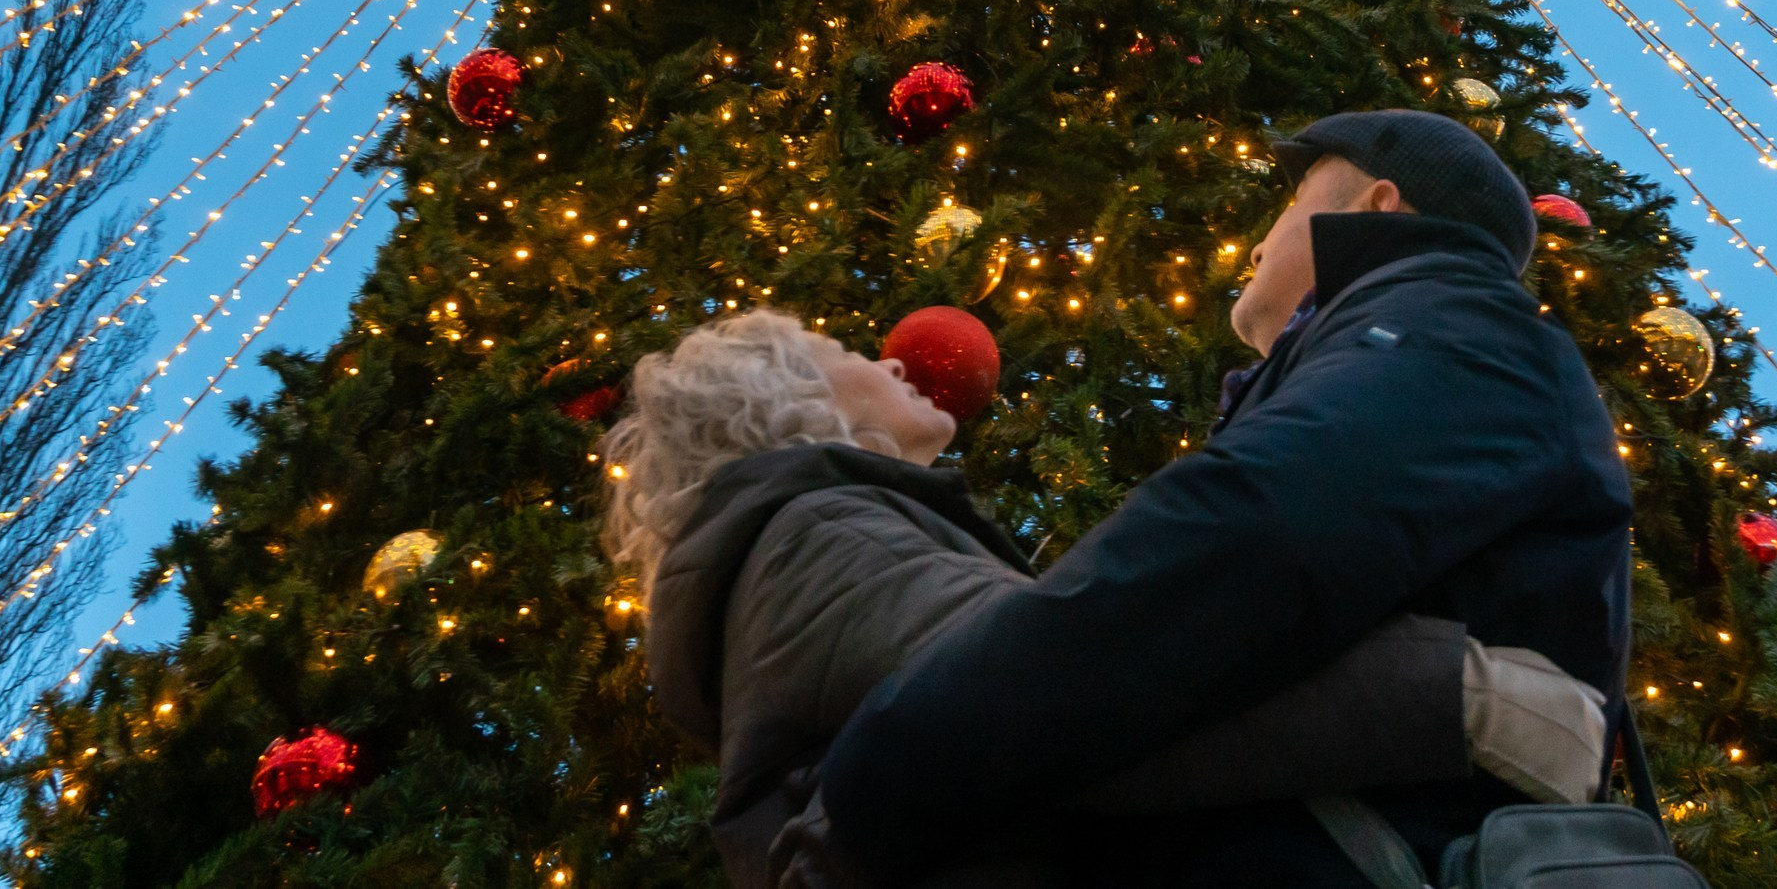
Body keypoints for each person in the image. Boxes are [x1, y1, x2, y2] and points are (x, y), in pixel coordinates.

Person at [803, 109, 1636, 888]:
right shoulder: (1409, 339)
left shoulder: (1458, 326)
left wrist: (889, 767)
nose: (1260, 239)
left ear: (1378, 204)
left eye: (1292, 202)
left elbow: (1249, 537)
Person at [602, 306, 1609, 889]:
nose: (892, 355)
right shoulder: (819, 540)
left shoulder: (804, 550)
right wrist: (1459, 694)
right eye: (845, 354)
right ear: (787, 406)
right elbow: (1068, 696)